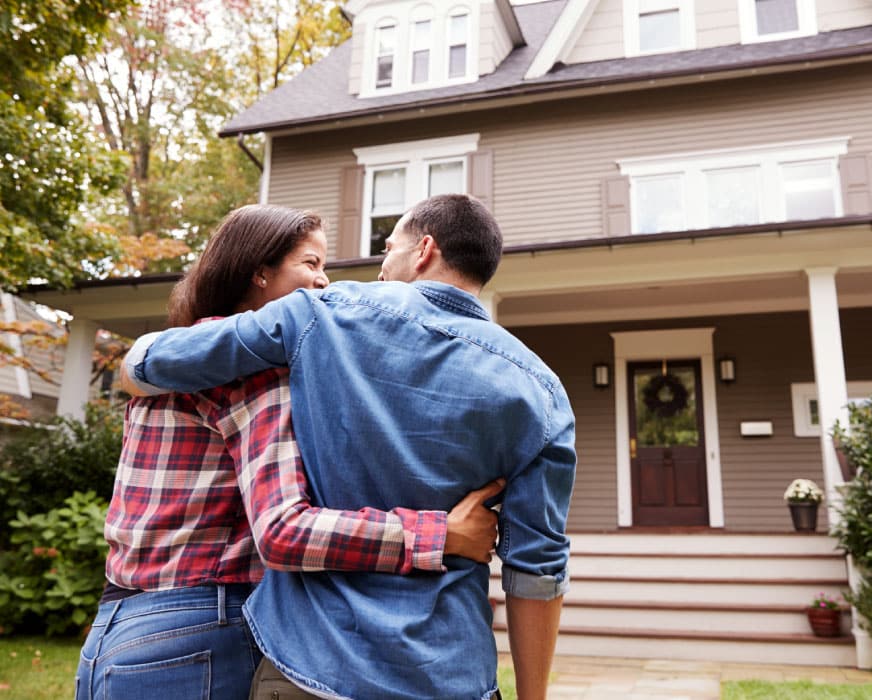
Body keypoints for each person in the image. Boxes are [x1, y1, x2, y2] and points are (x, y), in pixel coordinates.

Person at [123, 194, 576, 700]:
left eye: (388, 249)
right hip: (449, 673)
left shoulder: (319, 314)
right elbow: (537, 569)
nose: (380, 269)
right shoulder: (543, 391)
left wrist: (133, 364)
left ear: (423, 250)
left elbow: (155, 361)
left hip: (312, 667)